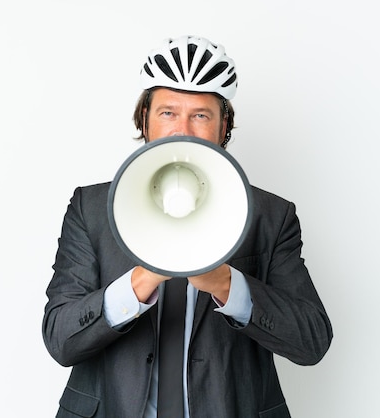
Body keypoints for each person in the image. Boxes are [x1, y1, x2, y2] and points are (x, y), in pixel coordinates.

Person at [43, 35, 333, 418]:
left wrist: (228, 285)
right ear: (143, 118)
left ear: (223, 125)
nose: (183, 129)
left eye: (200, 115)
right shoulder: (92, 209)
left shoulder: (269, 215)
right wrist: (141, 281)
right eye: (167, 112)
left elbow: (311, 341)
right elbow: (61, 340)